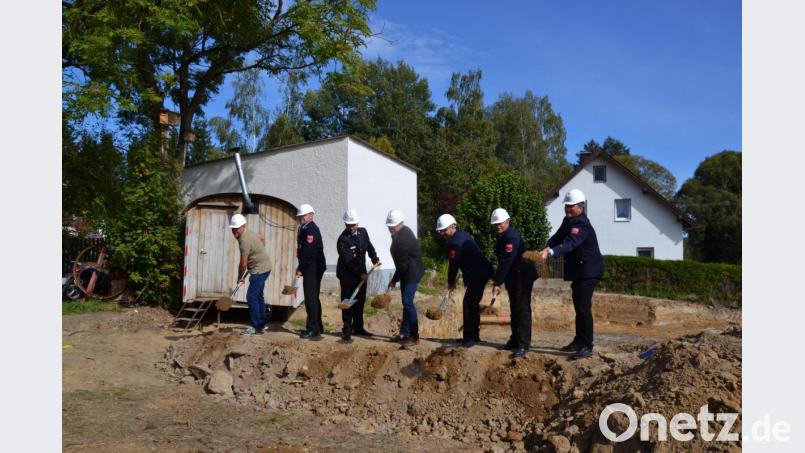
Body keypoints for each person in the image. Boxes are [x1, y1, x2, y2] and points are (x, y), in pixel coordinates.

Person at [540, 189, 604, 360]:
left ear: (581, 207)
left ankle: (587, 346)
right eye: (566, 206)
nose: (568, 209)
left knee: (584, 308)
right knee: (579, 307)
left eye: (571, 206)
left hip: (589, 271)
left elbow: (570, 243)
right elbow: (558, 237)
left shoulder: (581, 224)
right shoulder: (568, 221)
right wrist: (547, 246)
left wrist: (552, 252)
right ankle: (578, 341)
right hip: (579, 271)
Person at [435, 214, 493, 348]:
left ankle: (468, 339)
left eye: (443, 230)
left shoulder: (456, 243)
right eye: (440, 231)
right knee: (473, 303)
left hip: (477, 274)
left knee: (468, 304)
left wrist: (451, 283)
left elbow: (453, 265)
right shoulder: (462, 235)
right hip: (482, 272)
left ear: (452, 226)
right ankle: (474, 336)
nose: (442, 233)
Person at [490, 208, 538, 359]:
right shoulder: (502, 236)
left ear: (508, 221)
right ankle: (515, 340)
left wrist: (497, 282)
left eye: (501, 223)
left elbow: (506, 261)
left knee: (522, 310)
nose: (498, 225)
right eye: (496, 223)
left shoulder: (512, 238)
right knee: (514, 309)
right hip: (514, 277)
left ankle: (523, 344)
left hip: (523, 277)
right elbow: (504, 262)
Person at [336, 209, 381, 342]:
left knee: (360, 301)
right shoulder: (342, 240)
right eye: (349, 225)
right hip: (347, 275)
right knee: (348, 302)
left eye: (353, 225)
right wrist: (360, 274)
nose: (351, 227)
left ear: (357, 222)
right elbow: (348, 261)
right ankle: (347, 330)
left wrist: (375, 258)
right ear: (345, 224)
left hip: (361, 273)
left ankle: (358, 327)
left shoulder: (363, 232)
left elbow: (369, 246)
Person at [386, 209, 424, 347]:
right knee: (406, 303)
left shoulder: (402, 240)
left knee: (407, 302)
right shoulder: (403, 231)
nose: (390, 228)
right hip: (409, 271)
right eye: (389, 226)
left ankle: (414, 336)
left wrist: (394, 280)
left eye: (393, 225)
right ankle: (404, 333)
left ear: (400, 223)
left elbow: (402, 266)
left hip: (411, 273)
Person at [229, 213, 272, 335]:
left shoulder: (244, 241)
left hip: (259, 270)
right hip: (265, 267)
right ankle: (261, 325)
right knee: (258, 296)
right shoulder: (249, 233)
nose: (234, 231)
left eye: (236, 228)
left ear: (243, 226)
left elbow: (243, 264)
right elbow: (262, 237)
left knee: (251, 297)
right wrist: (260, 253)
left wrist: (239, 278)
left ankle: (255, 327)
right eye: (233, 228)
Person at [296, 203, 326, 340]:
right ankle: (318, 325)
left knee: (310, 298)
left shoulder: (311, 229)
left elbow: (308, 251)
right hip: (310, 266)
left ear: (310, 216)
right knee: (313, 297)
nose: (301, 218)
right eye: (300, 216)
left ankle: (313, 329)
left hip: (312, 267)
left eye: (303, 216)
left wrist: (301, 267)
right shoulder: (304, 228)